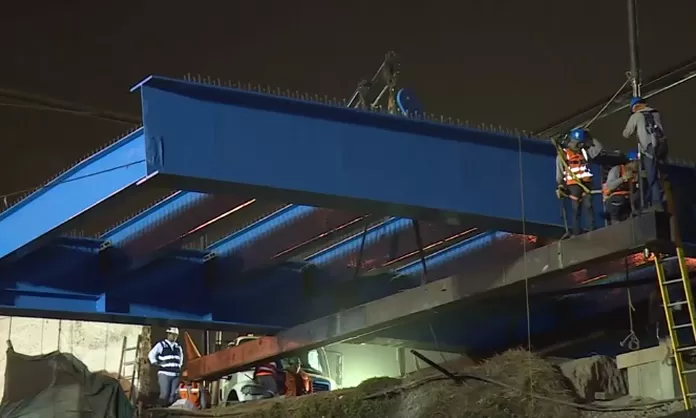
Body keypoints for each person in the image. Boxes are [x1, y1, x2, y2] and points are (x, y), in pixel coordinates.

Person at [622, 97, 667, 211]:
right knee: (660, 174)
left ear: (634, 107)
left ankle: (656, 204)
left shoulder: (636, 116)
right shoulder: (655, 113)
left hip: (648, 148)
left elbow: (626, 134)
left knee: (651, 177)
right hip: (662, 147)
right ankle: (663, 199)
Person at [555, 128, 603, 236]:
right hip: (573, 186)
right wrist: (560, 186)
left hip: (586, 184)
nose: (579, 145)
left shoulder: (584, 152)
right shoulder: (563, 155)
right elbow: (560, 172)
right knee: (576, 209)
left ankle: (592, 229)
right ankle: (577, 232)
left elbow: (598, 149)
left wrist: (590, 136)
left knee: (589, 206)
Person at [148, 326, 184, 407]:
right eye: (172, 335)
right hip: (165, 374)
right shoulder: (161, 345)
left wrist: (178, 367)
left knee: (173, 395)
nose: (174, 337)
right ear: (168, 334)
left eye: (176, 335)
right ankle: (161, 411)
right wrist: (157, 363)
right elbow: (151, 355)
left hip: (175, 375)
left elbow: (181, 359)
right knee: (164, 394)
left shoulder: (178, 347)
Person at [602, 151, 640, 224]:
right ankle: (615, 223)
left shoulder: (636, 173)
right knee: (619, 199)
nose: (638, 165)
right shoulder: (617, 169)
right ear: (631, 162)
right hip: (613, 199)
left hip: (628, 199)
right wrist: (623, 178)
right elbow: (610, 186)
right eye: (637, 162)